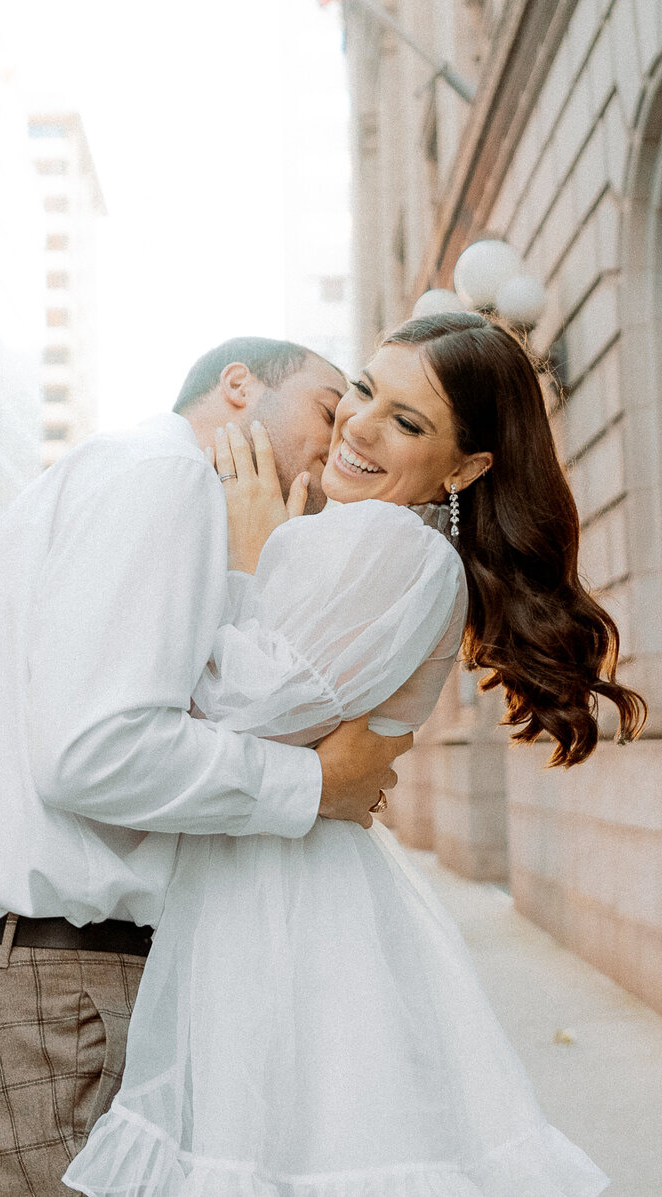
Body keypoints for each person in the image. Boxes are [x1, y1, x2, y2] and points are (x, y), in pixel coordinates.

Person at [63, 313, 646, 1197]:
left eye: (408, 422)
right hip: (267, 885)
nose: (361, 425)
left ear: (465, 468)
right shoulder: (357, 537)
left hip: (289, 908)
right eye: (366, 389)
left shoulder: (395, 546)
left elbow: (238, 702)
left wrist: (249, 552)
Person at [0, 337, 412, 1197]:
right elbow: (98, 752)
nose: (342, 442)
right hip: (54, 998)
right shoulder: (168, 475)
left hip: (54, 989)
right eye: (331, 409)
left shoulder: (138, 482)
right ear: (239, 385)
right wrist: (318, 786)